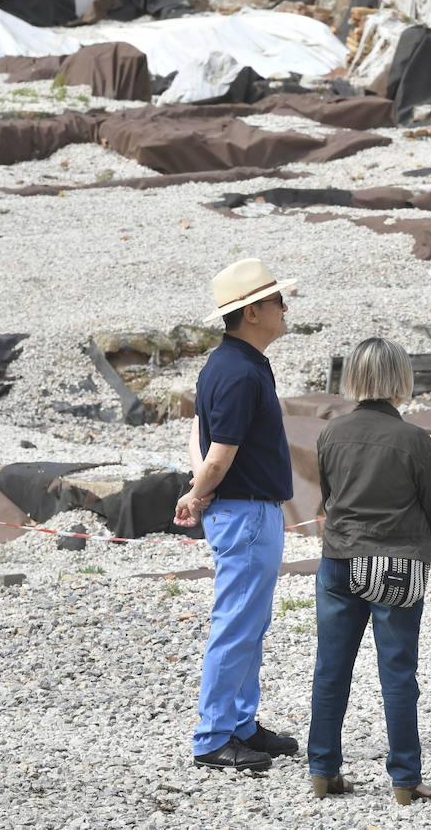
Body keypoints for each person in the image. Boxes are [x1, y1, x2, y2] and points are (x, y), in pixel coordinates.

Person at [309, 337, 431, 804]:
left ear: (354, 377)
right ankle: (405, 779)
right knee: (397, 672)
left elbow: (328, 500)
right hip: (395, 565)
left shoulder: (331, 433)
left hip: (338, 560)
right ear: (400, 380)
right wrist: (415, 541)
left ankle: (322, 770)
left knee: (331, 669)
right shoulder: (413, 439)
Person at [174, 257, 298, 772]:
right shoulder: (238, 370)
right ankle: (212, 737)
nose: (284, 307)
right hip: (245, 513)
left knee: (250, 622)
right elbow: (218, 451)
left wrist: (200, 487)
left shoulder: (232, 364)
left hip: (246, 510)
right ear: (250, 313)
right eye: (275, 300)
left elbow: (198, 431)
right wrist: (196, 492)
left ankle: (241, 725)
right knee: (237, 625)